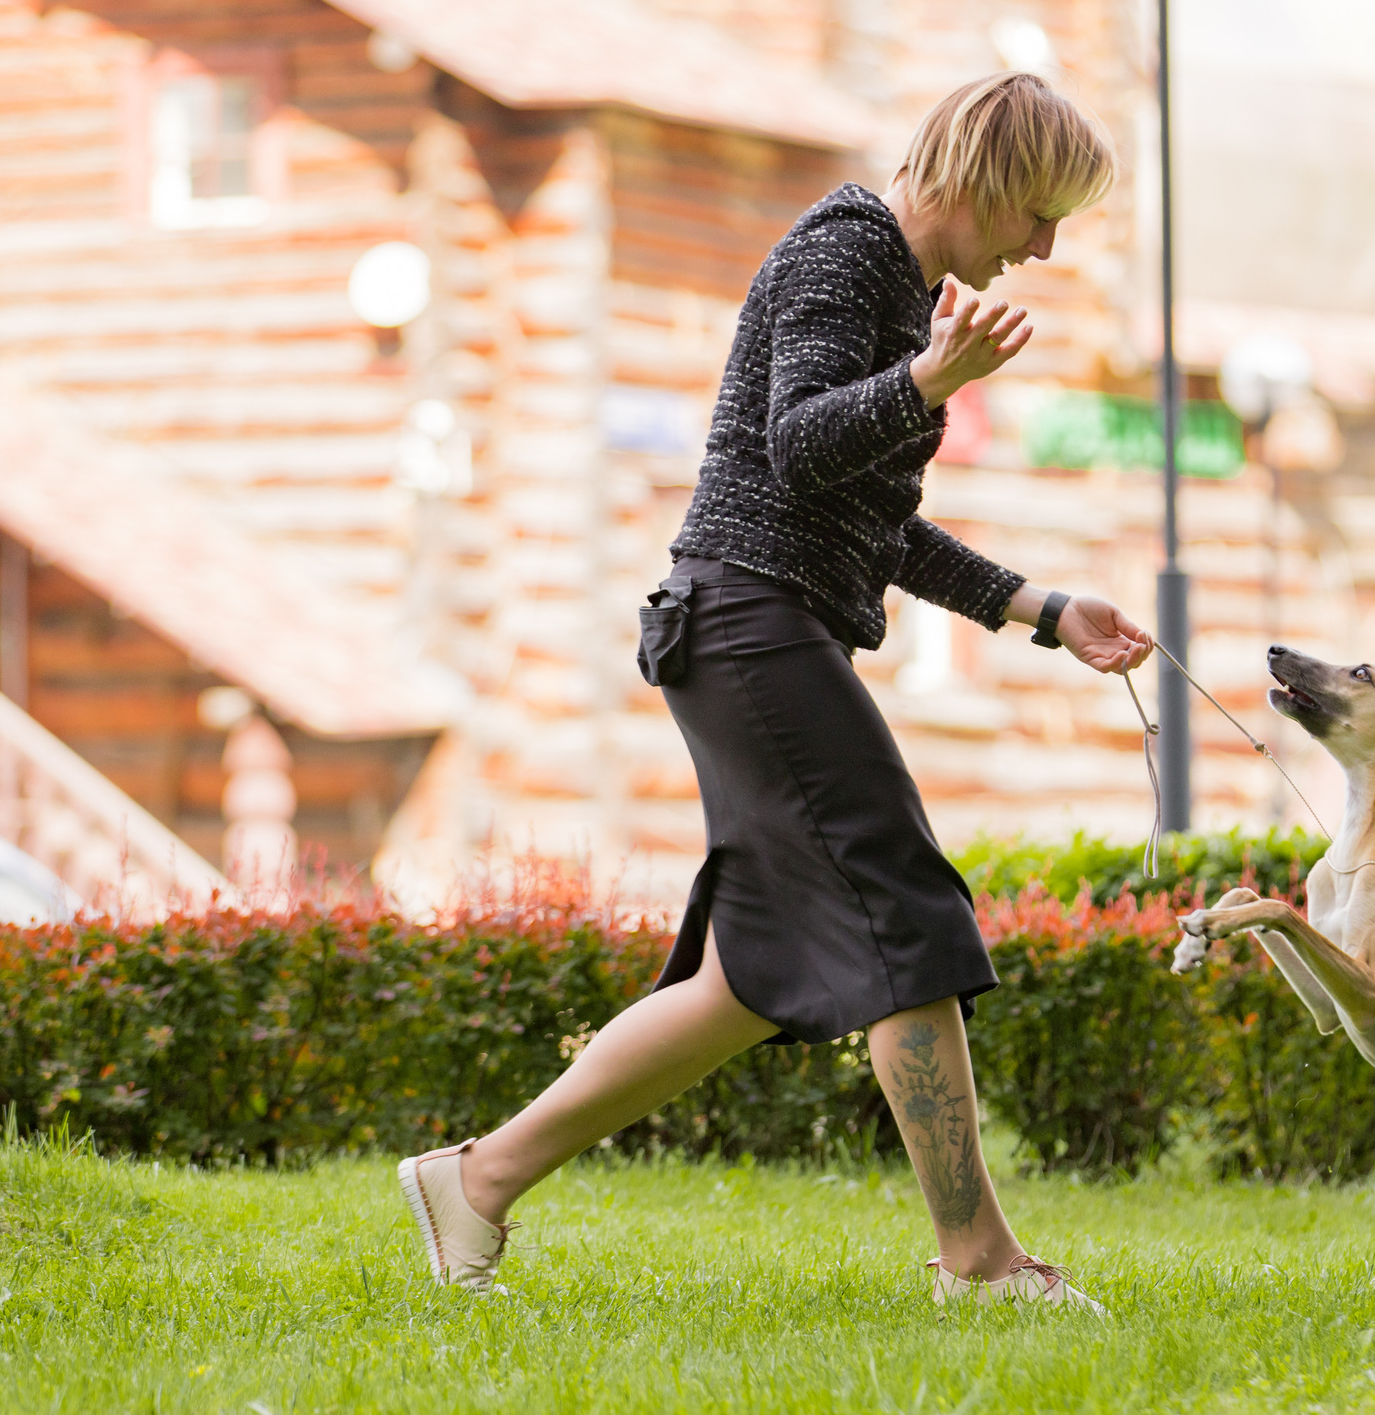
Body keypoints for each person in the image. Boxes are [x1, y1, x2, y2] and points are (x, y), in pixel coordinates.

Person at [397, 73, 1152, 1312]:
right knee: (907, 917)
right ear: (977, 179)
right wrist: (929, 382)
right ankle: (982, 1263)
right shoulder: (846, 257)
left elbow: (874, 518)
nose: (1043, 247)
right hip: (751, 627)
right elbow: (802, 440)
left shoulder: (903, 292)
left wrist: (1042, 610)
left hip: (753, 627)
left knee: (746, 981)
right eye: (1037, 212)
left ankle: (475, 1182)